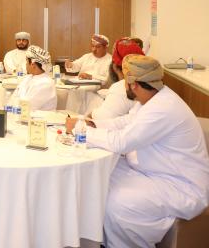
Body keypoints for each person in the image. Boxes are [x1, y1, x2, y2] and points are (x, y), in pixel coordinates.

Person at [66, 55, 209, 247]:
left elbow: (122, 142)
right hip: (151, 169)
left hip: (179, 184)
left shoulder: (163, 108)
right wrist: (92, 124)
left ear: (132, 84)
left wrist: (81, 130)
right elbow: (126, 122)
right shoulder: (151, 98)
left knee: (117, 204)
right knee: (96, 178)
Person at [91, 38, 144, 120]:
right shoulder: (151, 84)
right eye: (93, 46)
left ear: (115, 67)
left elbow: (101, 119)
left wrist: (91, 115)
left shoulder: (121, 88)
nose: (94, 49)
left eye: (98, 47)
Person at [11, 45, 57, 111]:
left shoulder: (45, 84)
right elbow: (14, 98)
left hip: (39, 117)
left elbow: (28, 107)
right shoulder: (28, 78)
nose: (25, 64)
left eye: (26, 61)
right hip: (22, 113)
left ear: (33, 64)